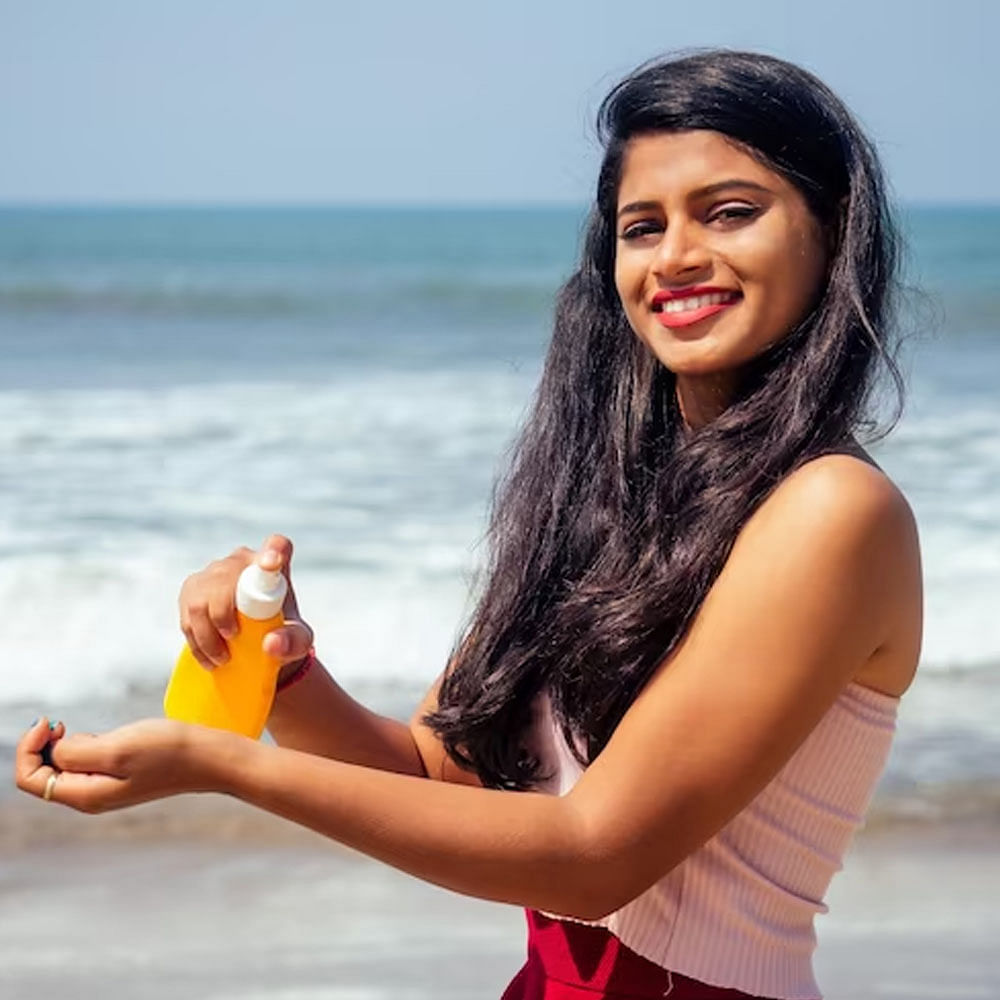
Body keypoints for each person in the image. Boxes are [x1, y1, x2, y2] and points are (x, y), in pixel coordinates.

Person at [15, 49, 922, 1000]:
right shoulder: (600, 502)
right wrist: (281, 669)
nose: (677, 257)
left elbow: (593, 857)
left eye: (730, 212)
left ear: (830, 232)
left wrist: (224, 767)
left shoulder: (831, 510)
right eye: (641, 227)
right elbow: (436, 778)